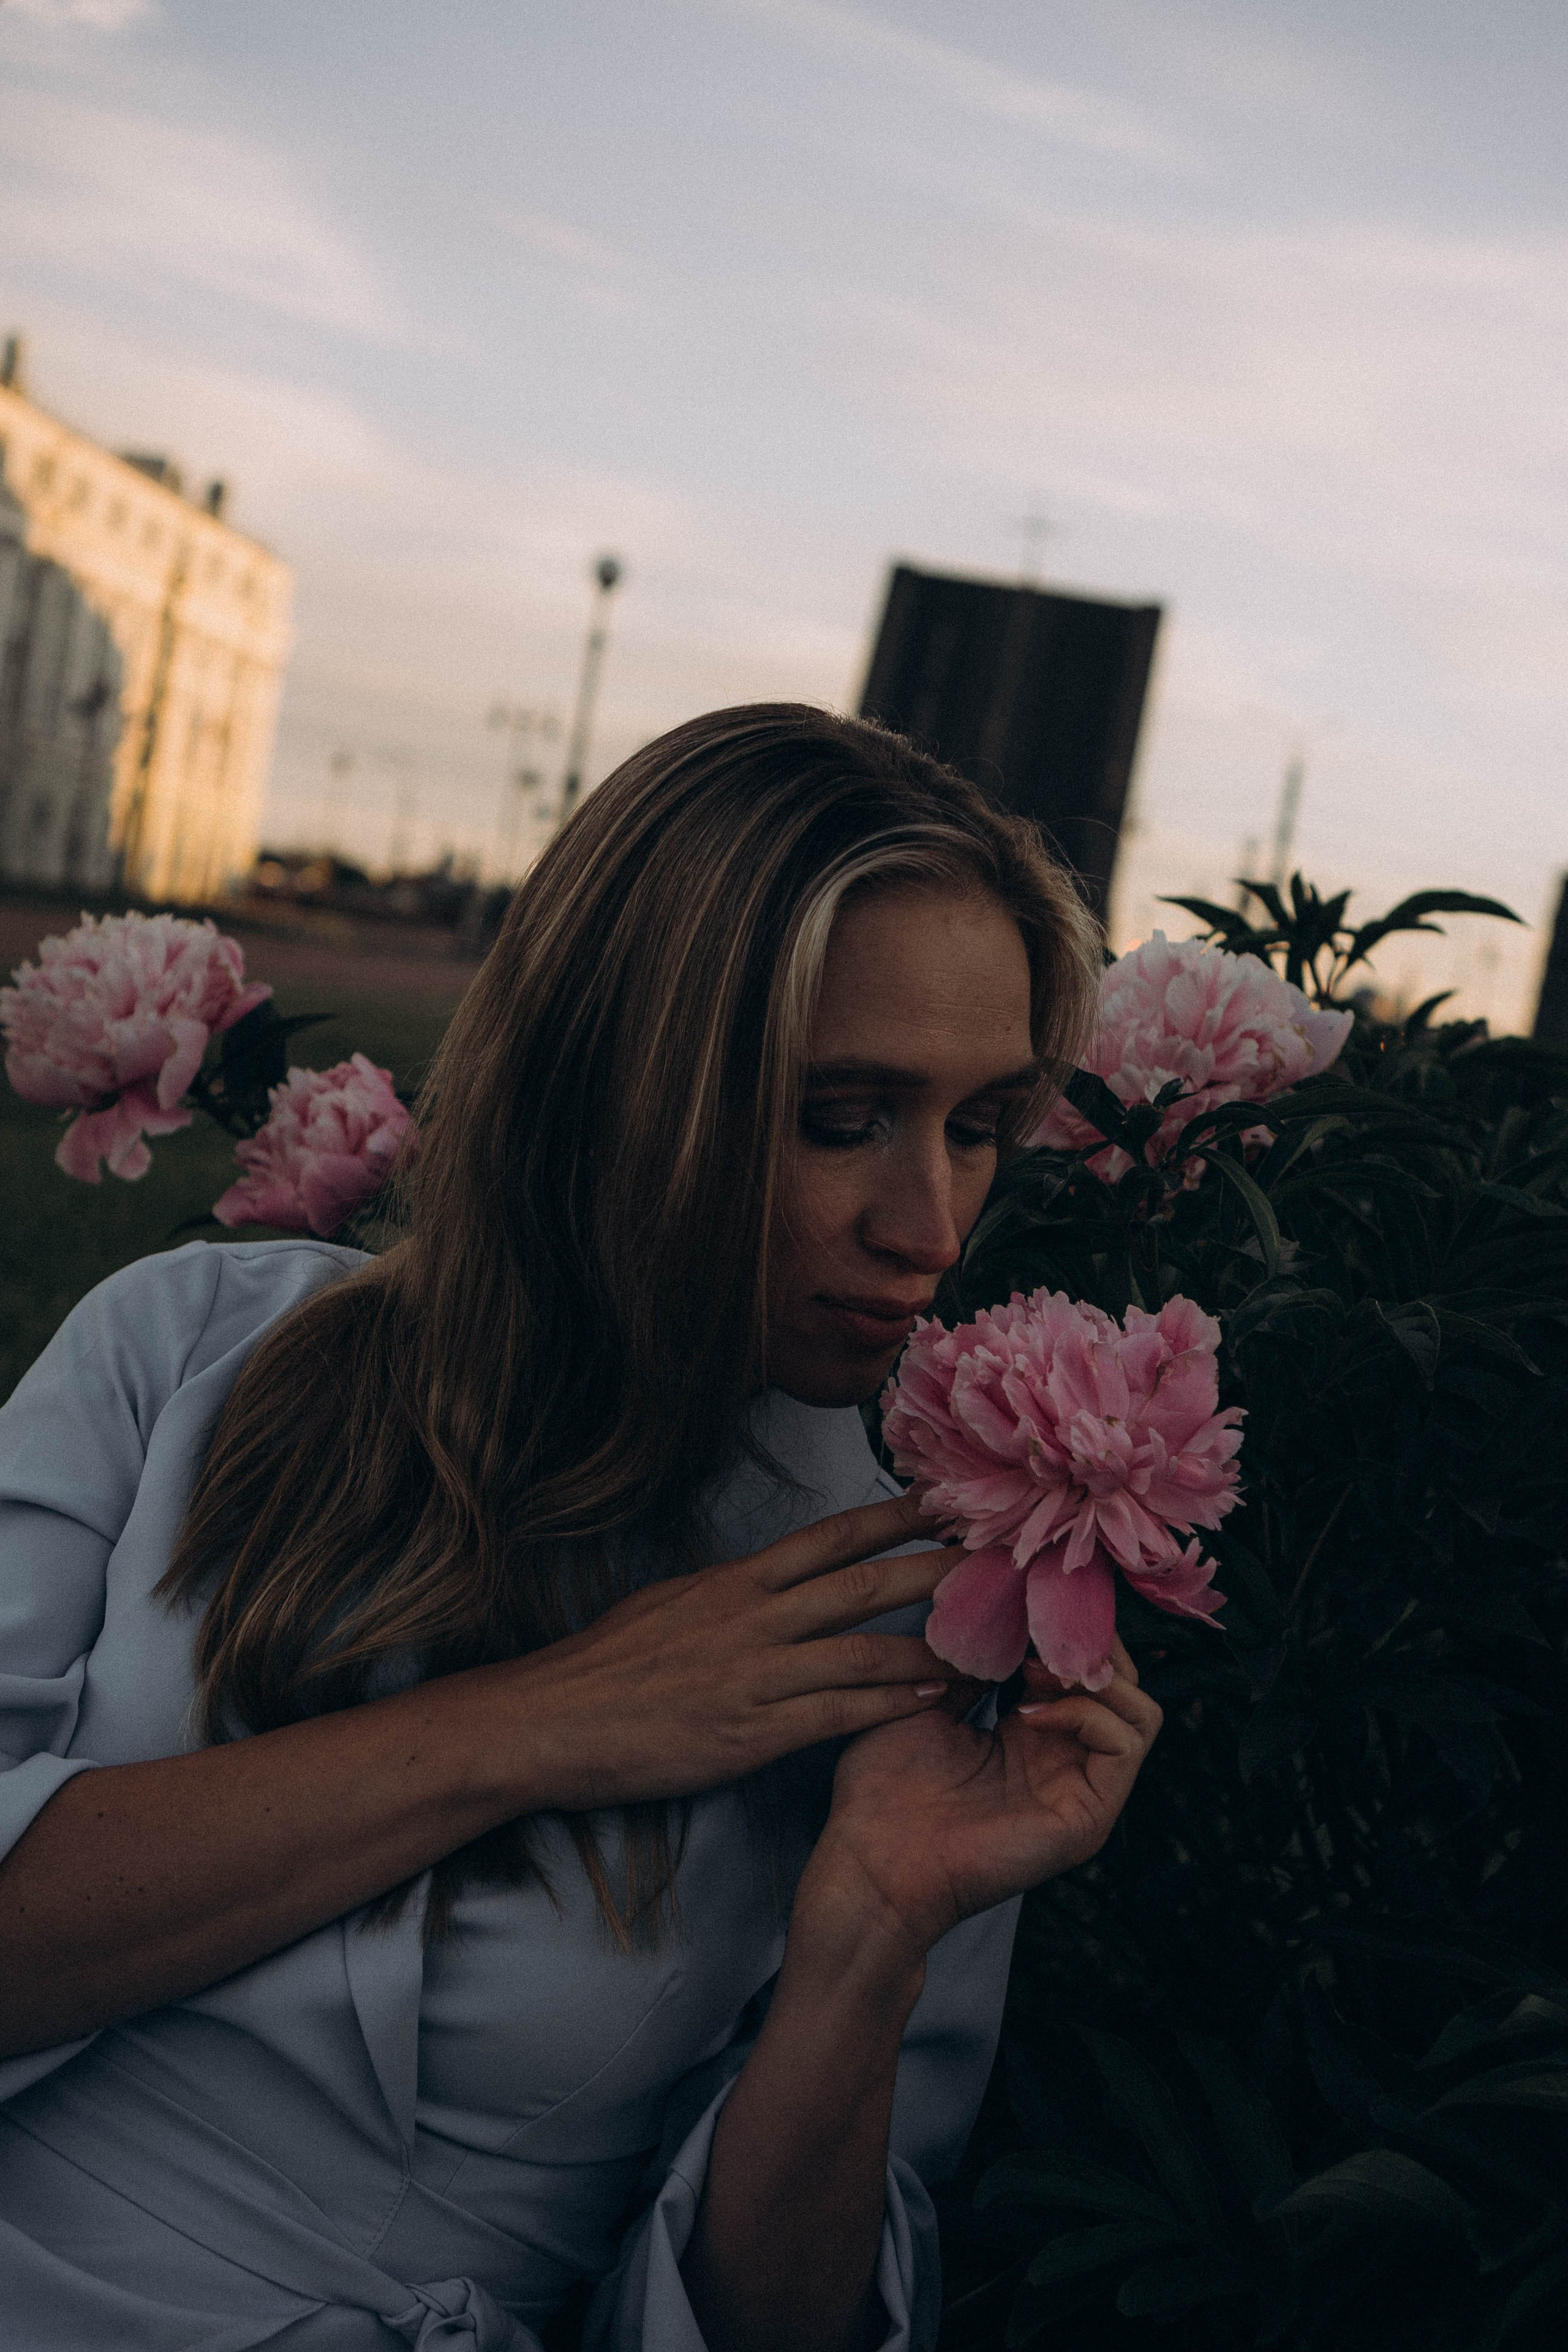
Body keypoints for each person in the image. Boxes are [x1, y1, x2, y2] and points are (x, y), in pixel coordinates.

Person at [0, 704, 1163, 2352]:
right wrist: (540, 1727)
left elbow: (774, 2326)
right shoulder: (188, 1345)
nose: (930, 1226)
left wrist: (872, 1936)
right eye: (843, 1116)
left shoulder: (924, 1602)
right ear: (623, 1074)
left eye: (977, 1125)